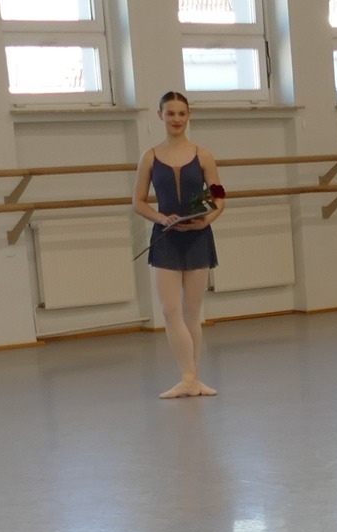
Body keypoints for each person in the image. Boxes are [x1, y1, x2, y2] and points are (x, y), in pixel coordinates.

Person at [132, 91, 224, 400]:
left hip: (198, 236)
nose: (176, 119)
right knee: (170, 310)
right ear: (160, 116)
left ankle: (192, 379)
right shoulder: (149, 157)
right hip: (166, 239)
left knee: (192, 311)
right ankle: (188, 377)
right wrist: (160, 217)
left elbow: (219, 197)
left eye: (181, 113)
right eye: (170, 113)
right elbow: (138, 201)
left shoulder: (204, 155)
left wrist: (205, 220)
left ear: (189, 116)